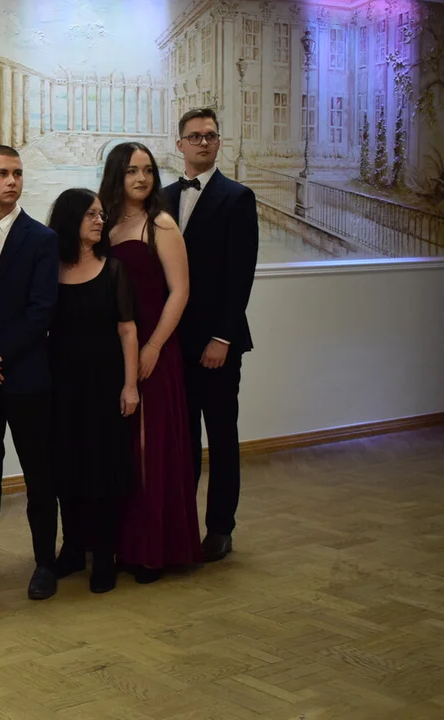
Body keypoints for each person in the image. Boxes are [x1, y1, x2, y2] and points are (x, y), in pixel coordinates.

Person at [98, 141, 202, 582]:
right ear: (115, 175)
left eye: (147, 170)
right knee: (118, 452)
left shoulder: (161, 223)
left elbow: (180, 291)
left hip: (153, 350)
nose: (141, 178)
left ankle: (153, 549)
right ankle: (119, 544)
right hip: (112, 350)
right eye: (131, 171)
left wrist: (155, 346)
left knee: (149, 449)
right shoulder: (103, 222)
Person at [0, 145, 60, 600]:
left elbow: (41, 310)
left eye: (18, 173)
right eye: (2, 173)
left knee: (39, 474)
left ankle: (45, 564)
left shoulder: (42, 239)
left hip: (26, 376)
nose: (12, 181)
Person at [163, 108, 259, 562]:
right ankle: (180, 526)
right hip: (171, 344)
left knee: (221, 438)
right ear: (179, 144)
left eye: (211, 135)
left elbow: (240, 276)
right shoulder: (162, 198)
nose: (204, 142)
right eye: (195, 136)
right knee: (180, 441)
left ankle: (221, 527)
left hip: (217, 343)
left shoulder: (237, 197)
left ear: (218, 142)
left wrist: (222, 338)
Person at [47, 188, 138, 594]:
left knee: (103, 469)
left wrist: (130, 385)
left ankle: (104, 554)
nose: (100, 221)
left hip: (105, 383)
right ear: (71, 220)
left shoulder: (113, 269)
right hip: (61, 383)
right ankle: (72, 547)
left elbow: (127, 330)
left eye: (101, 214)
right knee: (65, 466)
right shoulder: (50, 269)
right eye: (91, 215)